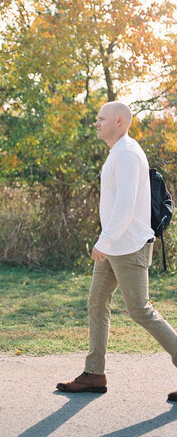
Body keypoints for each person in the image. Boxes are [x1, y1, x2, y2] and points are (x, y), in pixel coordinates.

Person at [56, 101, 177, 402]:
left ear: (119, 121)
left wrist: (104, 242)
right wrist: (108, 243)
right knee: (97, 301)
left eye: (101, 119)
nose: (96, 123)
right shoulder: (119, 152)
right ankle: (94, 372)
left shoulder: (125, 153)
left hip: (129, 246)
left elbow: (124, 205)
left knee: (140, 310)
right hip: (116, 246)